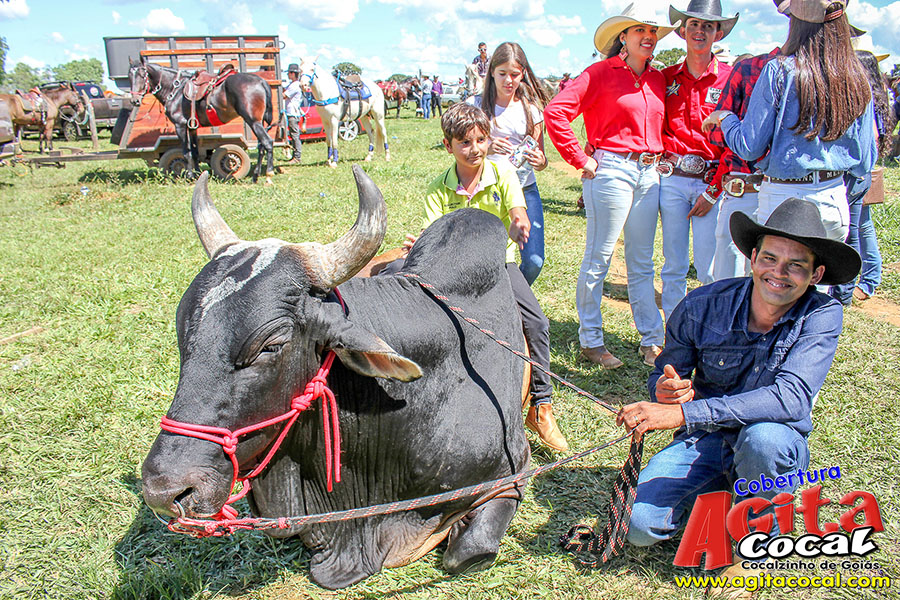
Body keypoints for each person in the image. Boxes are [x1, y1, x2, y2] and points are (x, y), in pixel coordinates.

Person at [620, 198, 861, 592]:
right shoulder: (701, 305)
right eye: (769, 258)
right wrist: (666, 390)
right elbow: (665, 376)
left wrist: (685, 415)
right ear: (752, 258)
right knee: (638, 527)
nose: (778, 273)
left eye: (795, 265)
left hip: (773, 440)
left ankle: (754, 550)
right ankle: (731, 493)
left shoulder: (822, 314)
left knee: (763, 439)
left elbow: (791, 399)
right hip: (706, 440)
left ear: (816, 274)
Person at [396, 103, 569, 452]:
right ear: (448, 146)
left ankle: (541, 405)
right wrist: (422, 243)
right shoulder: (438, 188)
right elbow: (434, 235)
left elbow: (518, 211)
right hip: (454, 269)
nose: (474, 149)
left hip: (498, 264)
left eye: (480, 140)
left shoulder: (502, 172)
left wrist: (519, 224)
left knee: (537, 323)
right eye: (465, 142)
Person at [545, 4, 676, 369]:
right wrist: (580, 159)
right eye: (640, 30)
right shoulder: (599, 73)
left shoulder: (658, 79)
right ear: (623, 36)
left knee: (641, 261)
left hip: (649, 172)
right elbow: (556, 112)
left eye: (653, 31)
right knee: (599, 258)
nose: (648, 36)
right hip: (612, 170)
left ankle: (651, 340)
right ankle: (591, 340)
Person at [703, 0, 877, 246]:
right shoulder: (856, 75)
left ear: (796, 23)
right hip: (834, 198)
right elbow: (865, 162)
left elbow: (748, 146)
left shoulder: (779, 70)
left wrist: (726, 118)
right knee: (822, 270)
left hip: (784, 196)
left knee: (777, 269)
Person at [658, 0, 738, 322]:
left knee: (709, 267)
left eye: (708, 25)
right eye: (693, 24)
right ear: (682, 31)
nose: (700, 31)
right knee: (674, 264)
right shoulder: (665, 78)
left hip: (711, 183)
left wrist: (713, 191)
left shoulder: (731, 79)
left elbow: (736, 142)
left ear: (719, 33)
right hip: (672, 179)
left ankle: (708, 331)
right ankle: (674, 331)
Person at [468, 42, 551, 285]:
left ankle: (512, 297)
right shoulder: (475, 106)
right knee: (483, 258)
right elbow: (459, 147)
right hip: (485, 190)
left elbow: (541, 158)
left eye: (514, 74)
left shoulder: (532, 111)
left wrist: (540, 161)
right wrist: (486, 146)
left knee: (534, 261)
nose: (508, 80)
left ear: (522, 73)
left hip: (525, 189)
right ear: (492, 72)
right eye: (502, 73)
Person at [832, 45, 892, 305]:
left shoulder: (863, 97)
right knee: (861, 227)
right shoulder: (877, 98)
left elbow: (871, 141)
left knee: (853, 231)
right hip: (862, 174)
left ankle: (855, 286)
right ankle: (868, 280)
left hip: (856, 174)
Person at [283, 63, 305, 164]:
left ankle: (297, 157)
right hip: (291, 113)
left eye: (289, 73)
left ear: (292, 73)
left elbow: (284, 95)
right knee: (293, 135)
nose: (288, 75)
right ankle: (295, 156)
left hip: (293, 113)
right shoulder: (292, 84)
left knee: (295, 135)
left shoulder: (295, 85)